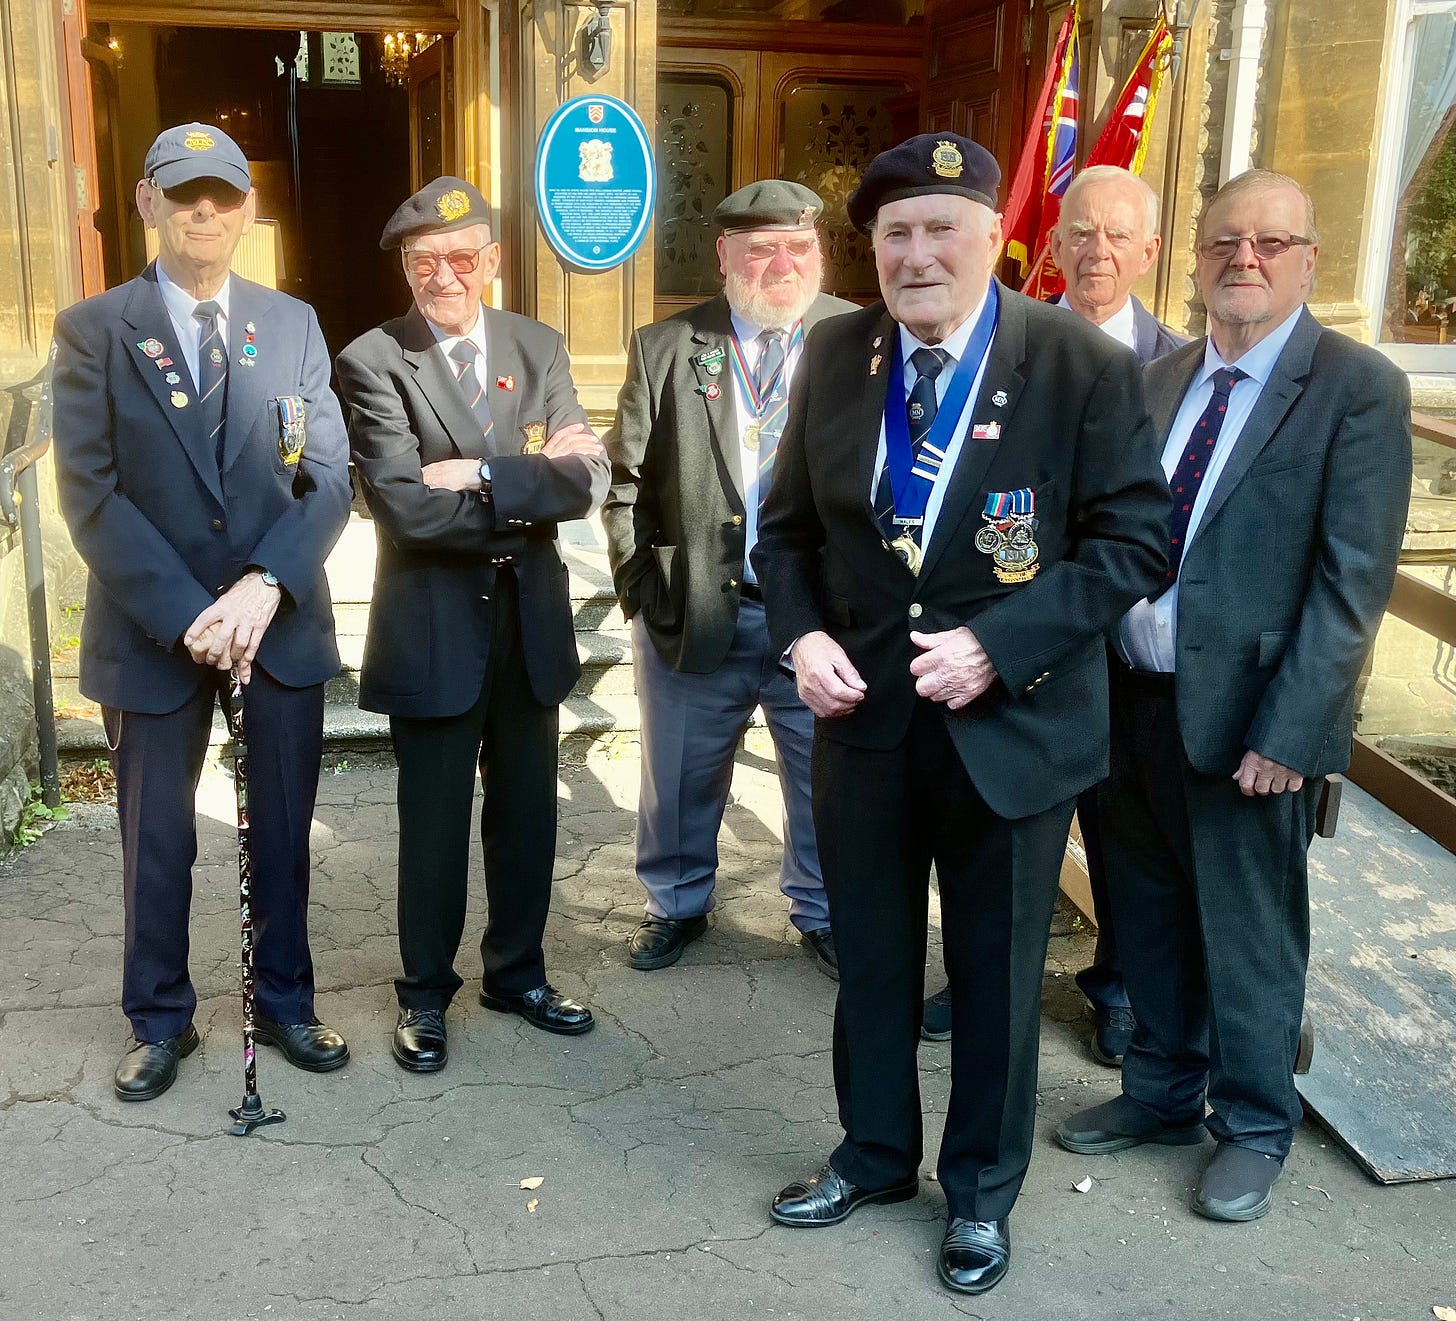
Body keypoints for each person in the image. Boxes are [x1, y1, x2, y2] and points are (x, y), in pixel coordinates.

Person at [752, 133, 1169, 1296]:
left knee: (992, 976)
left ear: (994, 240)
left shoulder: (1079, 362)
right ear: (871, 251)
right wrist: (804, 634)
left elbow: (1138, 539)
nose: (918, 254)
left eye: (943, 230)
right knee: (875, 962)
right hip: (867, 725)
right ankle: (875, 1155)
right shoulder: (837, 351)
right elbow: (785, 531)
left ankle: (979, 1193)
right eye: (895, 234)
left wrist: (1003, 643)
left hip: (1015, 732)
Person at [1055, 170, 1412, 1221]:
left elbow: (1351, 584)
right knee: (1146, 912)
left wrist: (1295, 731)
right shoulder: (1158, 379)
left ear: (1307, 259)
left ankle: (1255, 1123)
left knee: (1251, 935)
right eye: (1223, 243)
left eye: (1268, 242)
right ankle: (1161, 1094)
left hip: (1251, 723)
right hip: (1129, 700)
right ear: (1195, 257)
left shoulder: (1355, 386)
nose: (1242, 260)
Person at [51, 123, 353, 1100]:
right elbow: (90, 491)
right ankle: (158, 1018)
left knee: (280, 825)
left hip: (277, 622)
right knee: (159, 839)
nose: (205, 211)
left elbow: (330, 476)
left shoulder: (294, 322)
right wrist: (193, 613)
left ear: (246, 209)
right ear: (147, 201)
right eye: (184, 194)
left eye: (223, 194)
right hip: (152, 628)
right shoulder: (95, 327)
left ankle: (287, 1000)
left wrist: (265, 584)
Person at [335, 177, 609, 1074]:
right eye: (425, 262)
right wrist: (525, 482)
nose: (444, 275)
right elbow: (406, 509)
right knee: (434, 820)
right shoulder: (374, 360)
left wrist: (479, 475)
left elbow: (588, 481)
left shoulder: (539, 345)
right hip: (433, 626)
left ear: (492, 260)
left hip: (528, 622)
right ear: (408, 271)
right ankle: (423, 994)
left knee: (528, 812)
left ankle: (517, 973)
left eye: (461, 258)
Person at [921, 164, 1185, 1061]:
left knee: (1121, 839)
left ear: (1150, 251)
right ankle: (979, 977)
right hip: (1007, 650)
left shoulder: (1179, 362)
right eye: (1079, 231)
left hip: (1128, 646)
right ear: (1050, 240)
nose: (1096, 250)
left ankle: (1114, 984)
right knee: (996, 833)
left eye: (1117, 235)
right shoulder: (994, 343)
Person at [601, 181, 855, 977]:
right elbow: (624, 480)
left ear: (819, 253)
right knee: (677, 772)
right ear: (725, 257)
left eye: (798, 248)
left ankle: (822, 911)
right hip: (700, 603)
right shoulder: (668, 345)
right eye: (760, 249)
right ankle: (675, 901)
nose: (781, 264)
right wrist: (643, 588)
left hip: (823, 616)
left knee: (827, 775)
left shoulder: (857, 336)